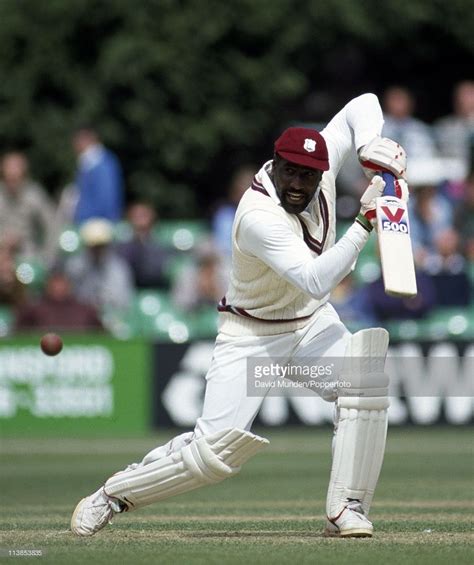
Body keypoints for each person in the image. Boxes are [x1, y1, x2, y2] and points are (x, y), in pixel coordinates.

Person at [71, 93, 408, 539]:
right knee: (215, 456)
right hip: (252, 335)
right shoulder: (257, 215)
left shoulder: (320, 172)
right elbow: (314, 278)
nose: (299, 184)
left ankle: (346, 508)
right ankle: (112, 495)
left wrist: (369, 146)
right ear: (275, 164)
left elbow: (362, 103)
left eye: (309, 176)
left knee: (365, 382)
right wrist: (364, 223)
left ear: (323, 173)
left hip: (309, 323)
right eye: (290, 172)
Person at [64, 218, 134, 313]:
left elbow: (122, 301)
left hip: (110, 315)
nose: (97, 250)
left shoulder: (119, 268)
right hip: (80, 316)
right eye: (93, 245)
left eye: (101, 245)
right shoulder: (74, 266)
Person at [0, 151, 57, 264]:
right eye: (8, 178)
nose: (11, 183)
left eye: (16, 178)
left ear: (24, 176)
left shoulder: (35, 195)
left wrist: (46, 258)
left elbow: (53, 226)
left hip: (27, 254)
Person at [15, 270, 103, 332]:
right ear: (47, 285)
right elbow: (18, 333)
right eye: (55, 283)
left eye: (61, 283)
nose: (58, 288)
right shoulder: (34, 309)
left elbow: (102, 335)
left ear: (69, 285)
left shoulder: (85, 310)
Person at [72, 127, 125, 225]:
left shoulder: (102, 163)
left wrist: (107, 222)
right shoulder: (89, 163)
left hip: (97, 226)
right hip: (89, 224)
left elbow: (108, 196)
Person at [115, 202, 170, 289]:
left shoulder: (162, 244)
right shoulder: (122, 246)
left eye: (143, 215)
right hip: (129, 289)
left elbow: (161, 270)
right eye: (136, 216)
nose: (140, 220)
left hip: (157, 287)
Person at [382, 86, 437, 158]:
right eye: (394, 99)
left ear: (410, 103)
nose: (398, 104)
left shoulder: (420, 129)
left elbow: (430, 155)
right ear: (386, 102)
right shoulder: (377, 126)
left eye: (401, 100)